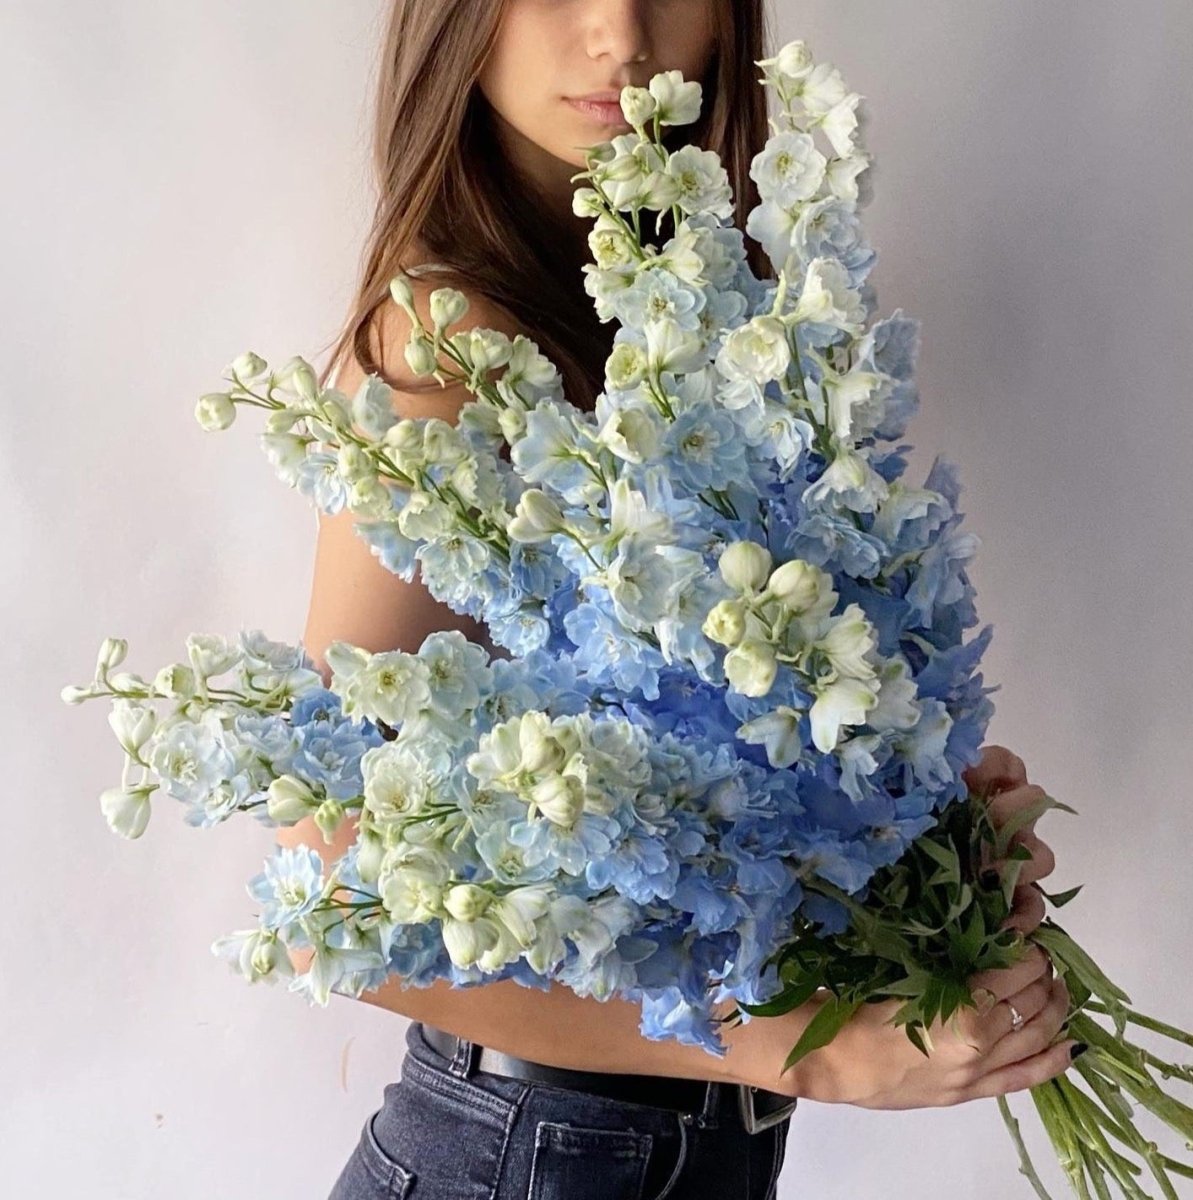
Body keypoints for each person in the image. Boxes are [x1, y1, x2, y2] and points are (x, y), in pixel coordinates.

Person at [274, 3, 1083, 1196]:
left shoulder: (701, 309)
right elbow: (334, 888)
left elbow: (693, 783)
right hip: (524, 1157)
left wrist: (913, 830)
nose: (620, 33)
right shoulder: (445, 344)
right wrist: (791, 1055)